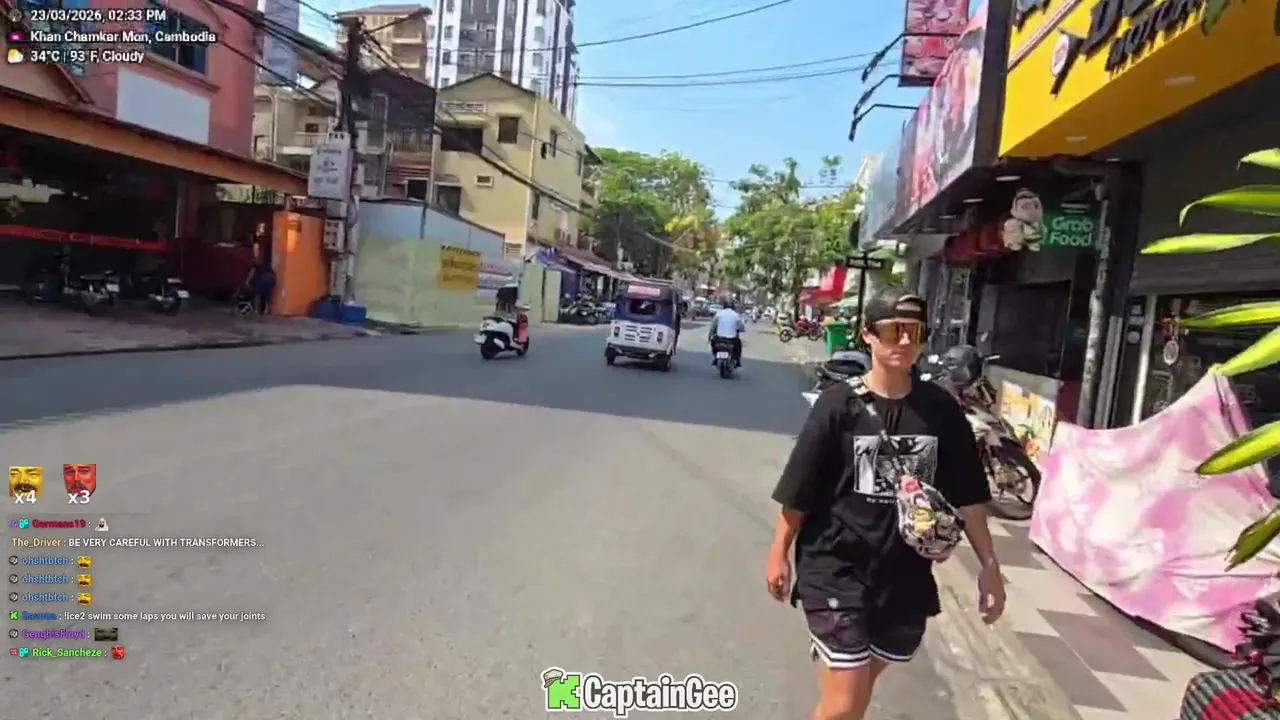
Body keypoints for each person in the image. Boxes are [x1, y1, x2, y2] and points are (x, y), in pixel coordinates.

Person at [765, 288, 1005, 720]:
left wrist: (990, 567)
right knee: (844, 703)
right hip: (834, 567)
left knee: (853, 699)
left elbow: (970, 497)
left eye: (915, 331)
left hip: (903, 578)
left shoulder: (941, 411)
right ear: (868, 336)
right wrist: (778, 552)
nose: (904, 341)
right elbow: (799, 487)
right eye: (893, 330)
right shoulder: (838, 404)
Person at [708, 301, 745, 368]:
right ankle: (737, 361)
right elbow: (741, 326)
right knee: (738, 345)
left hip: (719, 338)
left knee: (713, 343)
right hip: (731, 339)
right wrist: (741, 329)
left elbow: (713, 325)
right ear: (733, 307)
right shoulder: (735, 315)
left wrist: (712, 332)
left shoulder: (719, 313)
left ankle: (716, 357)